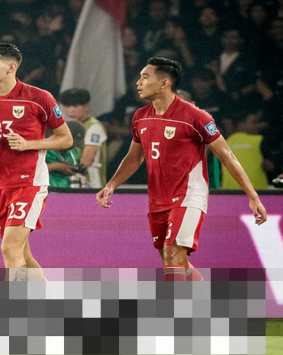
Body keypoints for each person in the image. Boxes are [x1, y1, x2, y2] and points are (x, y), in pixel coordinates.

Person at [96, 57, 267, 281]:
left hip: (188, 196)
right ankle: (206, 301)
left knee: (172, 255)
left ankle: (173, 305)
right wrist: (111, 185)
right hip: (158, 199)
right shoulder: (140, 116)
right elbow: (134, 158)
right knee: (177, 261)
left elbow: (226, 156)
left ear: (164, 83)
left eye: (145, 77)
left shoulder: (196, 116)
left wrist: (252, 195)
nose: (138, 82)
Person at [0, 43, 73, 281]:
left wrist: (29, 144)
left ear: (11, 68)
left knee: (9, 248)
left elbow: (65, 139)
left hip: (29, 183)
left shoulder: (39, 97)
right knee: (22, 254)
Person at [58, 88, 108, 188]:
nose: (71, 110)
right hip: (70, 182)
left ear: (86, 106)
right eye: (67, 106)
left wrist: (59, 167)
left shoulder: (94, 127)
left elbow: (87, 160)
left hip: (91, 184)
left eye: (75, 106)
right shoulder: (65, 127)